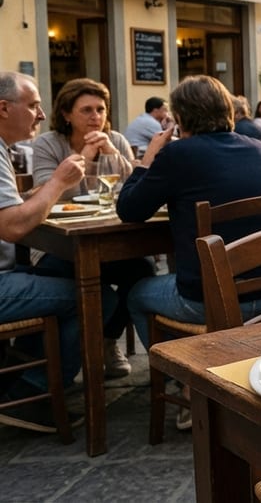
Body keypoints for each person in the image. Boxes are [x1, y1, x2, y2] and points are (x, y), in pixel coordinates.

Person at [117, 76, 261, 362]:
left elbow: (129, 210)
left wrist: (148, 158)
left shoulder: (177, 153)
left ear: (180, 117)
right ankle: (205, 360)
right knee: (186, 277)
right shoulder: (259, 148)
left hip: (212, 299)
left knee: (136, 295)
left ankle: (182, 375)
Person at [0, 72, 114, 433]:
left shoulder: (7, 149)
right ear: (3, 108)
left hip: (12, 273)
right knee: (95, 298)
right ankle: (33, 395)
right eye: (33, 105)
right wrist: (59, 182)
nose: (39, 114)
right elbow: (13, 226)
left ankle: (25, 375)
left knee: (62, 278)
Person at [29, 78, 151, 379]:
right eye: (86, 110)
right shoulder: (48, 143)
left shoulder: (116, 140)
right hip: (55, 244)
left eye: (100, 109)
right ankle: (63, 363)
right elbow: (46, 192)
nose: (95, 116)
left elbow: (131, 186)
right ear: (67, 114)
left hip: (104, 238)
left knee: (143, 272)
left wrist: (112, 154)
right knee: (90, 288)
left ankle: (109, 341)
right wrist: (83, 157)